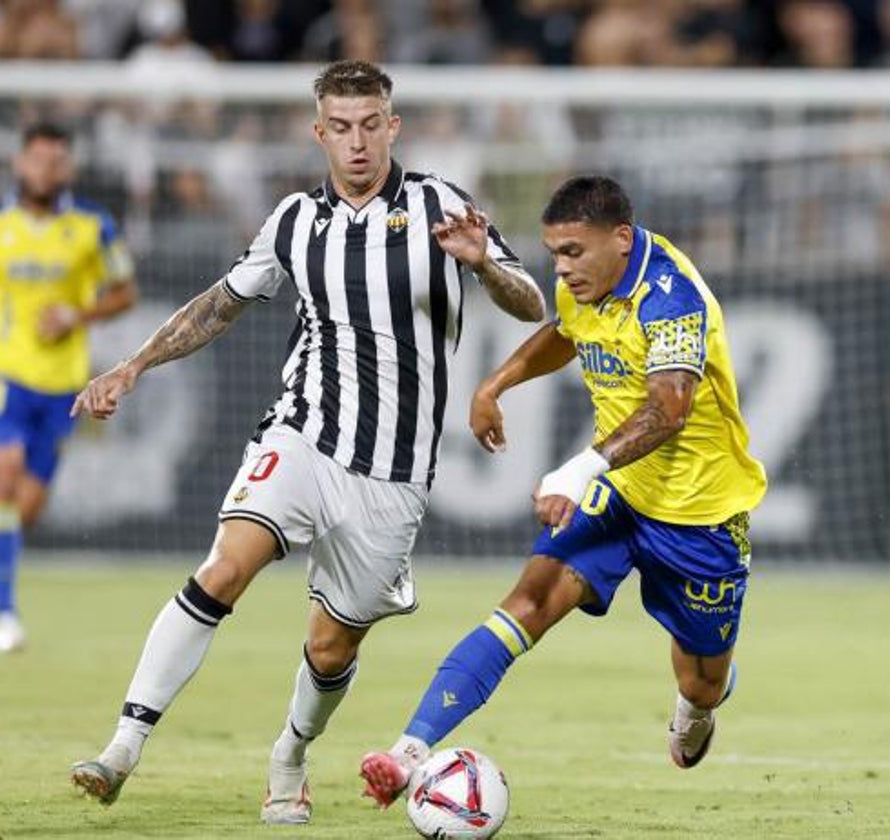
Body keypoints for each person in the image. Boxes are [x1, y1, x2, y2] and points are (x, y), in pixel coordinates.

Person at [67, 59, 545, 825]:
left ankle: (290, 753)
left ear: (393, 127)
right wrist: (133, 365)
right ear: (319, 132)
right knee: (224, 567)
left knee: (330, 649)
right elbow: (220, 304)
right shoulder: (292, 221)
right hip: (304, 432)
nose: (357, 143)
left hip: (393, 473)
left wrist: (486, 263)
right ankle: (122, 746)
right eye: (342, 128)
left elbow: (532, 303)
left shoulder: (440, 205)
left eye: (371, 126)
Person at [359, 175, 767, 806]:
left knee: (702, 679)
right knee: (528, 602)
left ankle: (702, 701)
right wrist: (495, 384)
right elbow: (565, 331)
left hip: (700, 514)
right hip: (619, 493)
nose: (563, 268)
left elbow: (670, 409)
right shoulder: (588, 282)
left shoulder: (672, 298)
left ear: (621, 240)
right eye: (554, 253)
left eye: (574, 251)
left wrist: (578, 470)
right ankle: (408, 753)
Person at [0, 122, 137, 653]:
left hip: (62, 383)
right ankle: (4, 615)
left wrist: (78, 314)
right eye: (39, 159)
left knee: (28, 509)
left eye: (58, 161)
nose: (47, 170)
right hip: (1, 370)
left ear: (70, 168)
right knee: (5, 470)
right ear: (20, 164)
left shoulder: (94, 228)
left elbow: (126, 292)